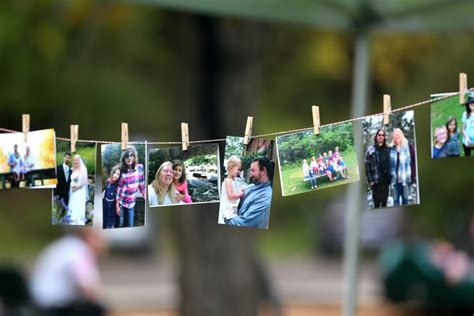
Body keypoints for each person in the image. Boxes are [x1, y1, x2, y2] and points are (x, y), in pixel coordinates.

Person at [30, 228, 107, 316]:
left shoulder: (65, 245)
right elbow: (86, 287)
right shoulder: (79, 250)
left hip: (40, 299)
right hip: (54, 305)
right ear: (89, 237)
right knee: (96, 309)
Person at [225, 157, 273, 229]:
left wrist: (224, 217)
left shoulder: (265, 198)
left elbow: (243, 224)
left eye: (253, 171)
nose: (250, 175)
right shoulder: (251, 186)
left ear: (263, 170)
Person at [116, 146, 145, 227]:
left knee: (130, 225)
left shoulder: (140, 168)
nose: (129, 158)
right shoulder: (122, 171)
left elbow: (142, 185)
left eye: (131, 155)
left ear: (134, 156)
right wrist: (117, 205)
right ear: (124, 159)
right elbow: (119, 189)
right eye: (126, 156)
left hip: (132, 204)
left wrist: (145, 195)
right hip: (122, 203)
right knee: (120, 223)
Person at [389, 128, 416, 206]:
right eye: (395, 135)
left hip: (406, 181)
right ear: (393, 137)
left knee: (405, 201)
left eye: (398, 135)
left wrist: (413, 176)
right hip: (394, 181)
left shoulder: (408, 147)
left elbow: (414, 162)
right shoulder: (391, 148)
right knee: (395, 202)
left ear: (402, 135)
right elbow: (388, 164)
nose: (396, 137)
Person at [365, 128, 391, 208]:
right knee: (376, 205)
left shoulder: (387, 149)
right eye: (379, 135)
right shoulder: (370, 149)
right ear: (376, 136)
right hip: (375, 182)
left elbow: (390, 164)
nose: (381, 136)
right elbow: (367, 165)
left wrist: (390, 178)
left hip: (385, 183)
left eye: (383, 135)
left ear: (384, 137)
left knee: (384, 205)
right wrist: (370, 181)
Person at [219, 156, 245, 223]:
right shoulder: (228, 181)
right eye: (238, 169)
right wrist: (240, 194)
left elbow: (235, 191)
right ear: (231, 168)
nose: (239, 172)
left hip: (233, 211)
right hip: (229, 214)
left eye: (240, 170)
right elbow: (230, 197)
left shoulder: (233, 181)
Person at [68, 154, 88, 225]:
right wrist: (72, 187)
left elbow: (85, 181)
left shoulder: (83, 169)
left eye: (77, 160)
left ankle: (79, 222)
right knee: (73, 206)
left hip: (79, 191)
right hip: (73, 192)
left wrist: (76, 188)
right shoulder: (73, 169)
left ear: (80, 160)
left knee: (78, 206)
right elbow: (71, 180)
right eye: (74, 160)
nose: (75, 161)